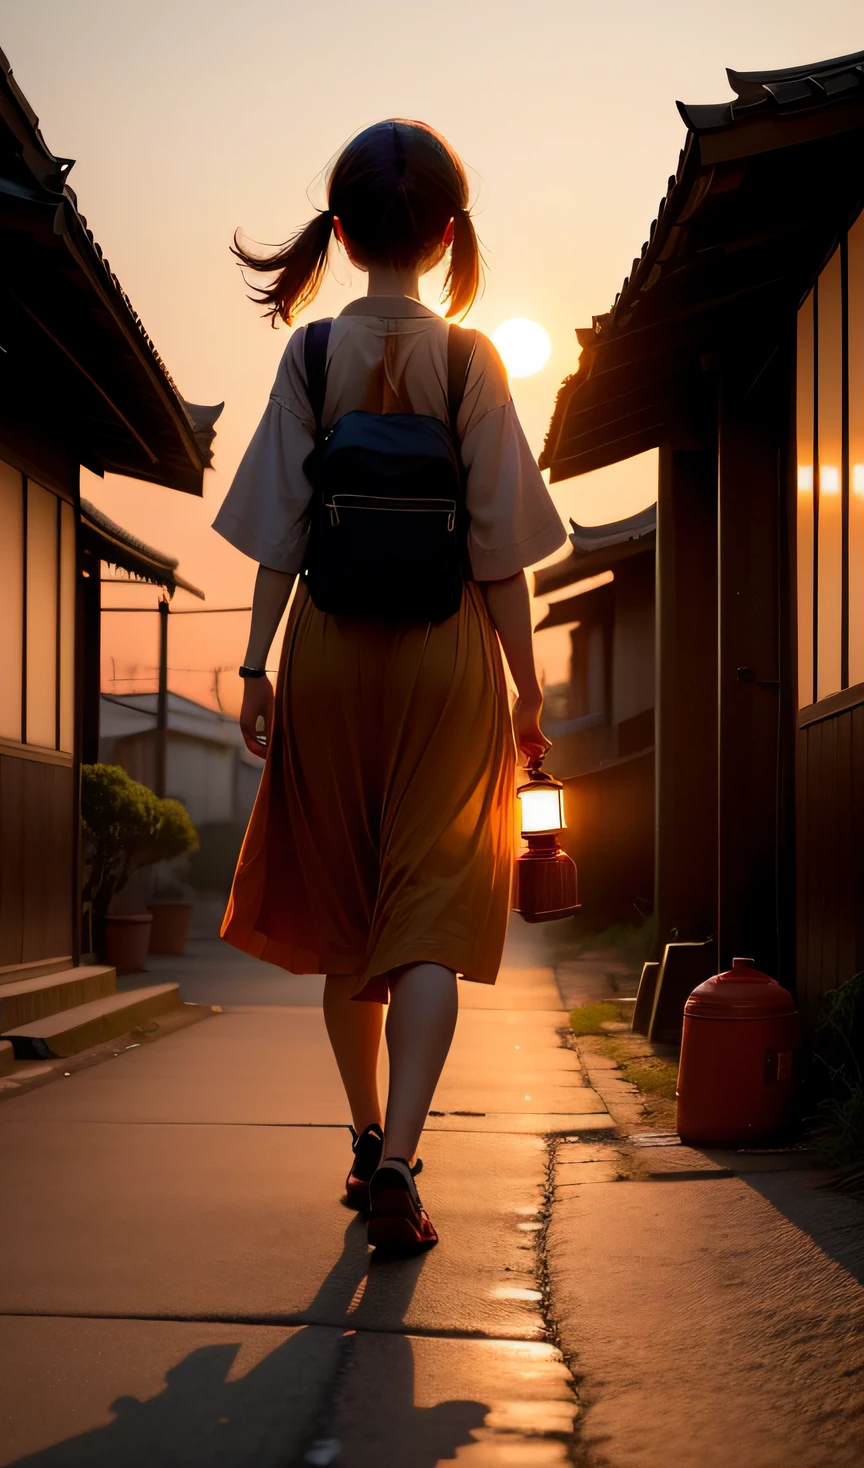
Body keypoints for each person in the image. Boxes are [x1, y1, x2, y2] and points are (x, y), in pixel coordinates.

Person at [212, 119, 565, 1253]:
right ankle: (406, 1159)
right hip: (444, 654)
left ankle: (364, 1142)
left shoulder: (310, 356)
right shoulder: (470, 360)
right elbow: (499, 549)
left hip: (325, 652)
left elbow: (278, 532)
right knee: (425, 916)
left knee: (348, 918)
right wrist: (524, 688)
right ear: (447, 230)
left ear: (344, 227)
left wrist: (256, 664)